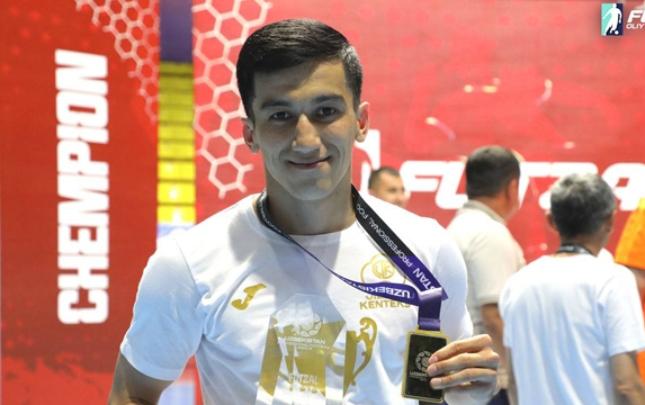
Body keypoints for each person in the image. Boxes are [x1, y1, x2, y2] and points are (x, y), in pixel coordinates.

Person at [108, 19, 499, 404]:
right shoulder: (190, 262)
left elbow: (450, 390)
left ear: (361, 122)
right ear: (250, 133)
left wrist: (473, 392)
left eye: (326, 111)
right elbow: (132, 393)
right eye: (280, 116)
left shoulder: (427, 249)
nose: (306, 140)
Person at [500, 173, 645, 405]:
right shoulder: (613, 281)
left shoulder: (516, 285)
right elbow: (627, 384)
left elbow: (514, 381)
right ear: (610, 220)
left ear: (551, 220)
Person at [447, 146, 525, 405]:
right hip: (489, 382)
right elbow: (494, 316)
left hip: (466, 377)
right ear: (512, 187)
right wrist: (521, 375)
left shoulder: (458, 227)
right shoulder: (489, 233)